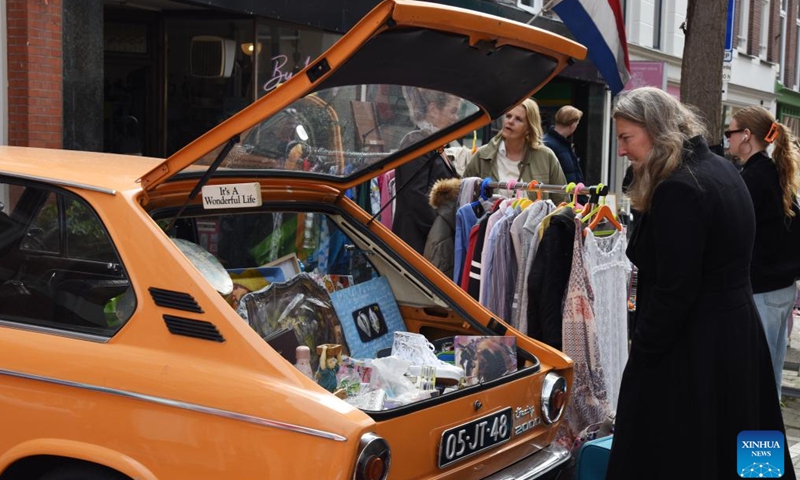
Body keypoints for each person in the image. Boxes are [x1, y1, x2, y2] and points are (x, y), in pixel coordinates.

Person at [606, 87, 792, 479]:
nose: (622, 150)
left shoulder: (680, 188)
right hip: (736, 336)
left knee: (690, 452)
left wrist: (643, 353)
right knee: (744, 440)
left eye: (626, 138)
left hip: (696, 345)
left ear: (656, 130)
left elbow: (674, 291)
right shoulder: (720, 168)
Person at [727, 105, 800, 398]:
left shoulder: (753, 179)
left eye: (730, 132)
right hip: (781, 288)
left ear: (746, 135)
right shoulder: (775, 173)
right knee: (770, 376)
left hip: (762, 292)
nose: (728, 138)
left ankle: (759, 431)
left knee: (757, 382)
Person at [391, 87, 460, 255]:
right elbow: (416, 198)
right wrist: (445, 228)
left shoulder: (431, 142)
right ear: (434, 110)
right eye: (453, 111)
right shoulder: (416, 142)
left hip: (426, 241)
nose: (456, 118)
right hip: (416, 244)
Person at [463, 98, 567, 202]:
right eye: (508, 116)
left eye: (518, 119)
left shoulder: (546, 157)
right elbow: (463, 195)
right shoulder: (482, 156)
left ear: (529, 128)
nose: (510, 121)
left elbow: (562, 201)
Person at [543, 105, 585, 184]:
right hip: (561, 191)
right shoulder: (550, 144)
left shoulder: (562, 143)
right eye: (577, 123)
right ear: (572, 125)